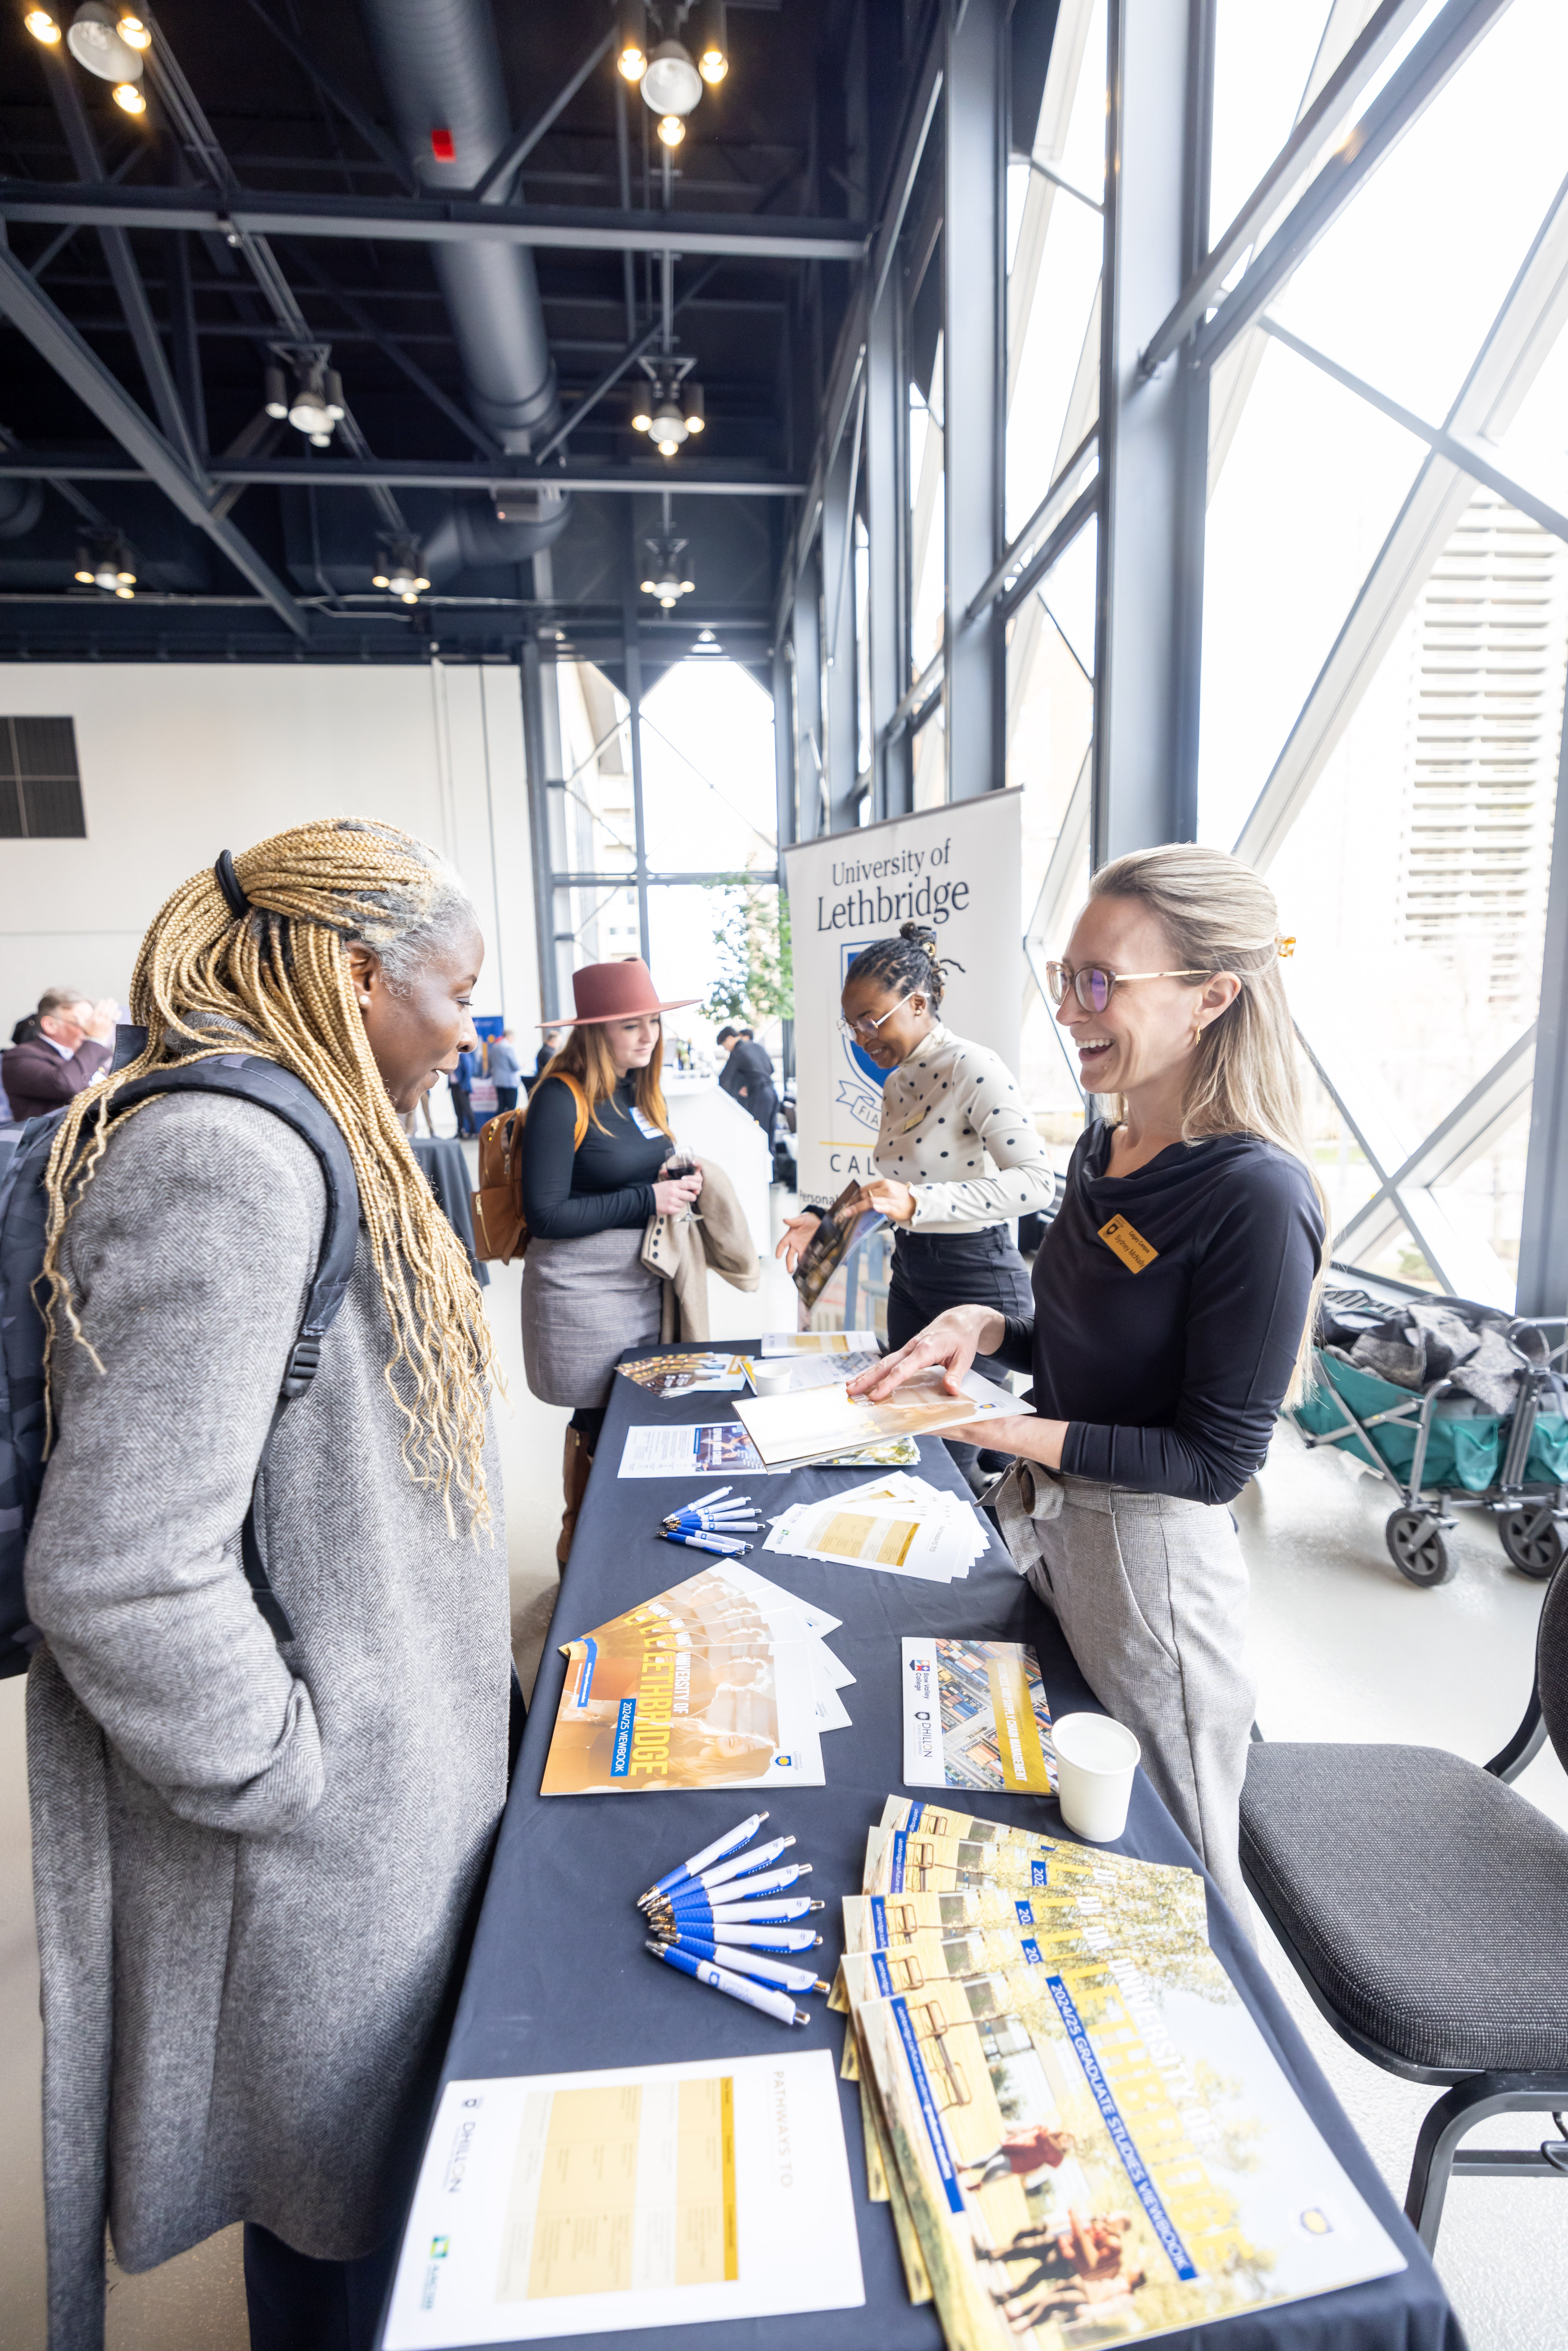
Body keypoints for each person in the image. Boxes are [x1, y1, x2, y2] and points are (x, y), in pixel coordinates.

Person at [22, 819, 509, 2351]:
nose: (468, 1034)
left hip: (371, 1815)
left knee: (354, 2203)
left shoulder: (294, 1129)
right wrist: (293, 1773)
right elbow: (120, 1568)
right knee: (344, 2237)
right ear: (361, 976)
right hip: (317, 1843)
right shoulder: (225, 1159)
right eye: (458, 996)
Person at [849, 848, 1327, 1925]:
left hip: (1150, 1570)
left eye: (1099, 981)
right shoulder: (1107, 1144)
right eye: (1064, 976)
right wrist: (986, 1325)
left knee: (1177, 1878)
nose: (1068, 1009)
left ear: (1211, 995)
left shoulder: (1254, 1193)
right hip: (1054, 1533)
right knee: (1073, 1840)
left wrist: (998, 1426)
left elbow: (1209, 1463)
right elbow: (1083, 1349)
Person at [776, 921, 1057, 1482]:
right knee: (909, 1439)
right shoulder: (897, 1082)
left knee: (948, 1459)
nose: (861, 1037)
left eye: (871, 1020)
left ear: (919, 1003)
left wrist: (919, 1201)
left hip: (976, 1280)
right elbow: (894, 1193)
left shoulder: (973, 1068)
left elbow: (1036, 1183)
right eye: (851, 1024)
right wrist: (823, 1221)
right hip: (911, 1276)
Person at [518, 957, 705, 1562]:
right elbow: (543, 1215)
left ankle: (624, 1548)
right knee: (602, 1418)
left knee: (642, 1414)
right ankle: (583, 1553)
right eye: (631, 1025)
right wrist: (647, 1196)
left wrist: (672, 1178)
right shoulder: (559, 1096)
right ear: (595, 1030)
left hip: (642, 1278)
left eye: (652, 1021)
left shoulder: (636, 1092)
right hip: (582, 1290)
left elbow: (621, 1169)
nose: (648, 1036)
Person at [1, 985, 118, 1123]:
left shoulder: (98, 1056)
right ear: (51, 1025)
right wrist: (95, 1041)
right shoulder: (19, 1057)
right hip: (53, 1141)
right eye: (84, 1023)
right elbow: (66, 1085)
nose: (91, 1030)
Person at [716, 1022, 779, 1140]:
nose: (727, 1050)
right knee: (769, 1140)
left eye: (725, 1046)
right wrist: (748, 1085)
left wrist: (741, 1090)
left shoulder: (738, 1052)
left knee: (758, 1139)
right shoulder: (757, 1047)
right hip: (773, 1095)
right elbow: (771, 1069)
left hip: (759, 1098)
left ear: (730, 1039)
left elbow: (724, 1081)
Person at [488, 1025, 522, 1113]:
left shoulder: (495, 1047)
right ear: (510, 1036)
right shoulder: (509, 1048)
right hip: (510, 1082)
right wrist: (521, 1066)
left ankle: (498, 1126)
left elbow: (490, 1063)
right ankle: (509, 1127)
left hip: (498, 1081)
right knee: (511, 1108)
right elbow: (515, 1066)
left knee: (501, 1105)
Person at [449, 1039, 480, 1135]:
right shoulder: (452, 1057)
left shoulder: (464, 1057)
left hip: (462, 1088)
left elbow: (469, 1072)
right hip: (454, 1087)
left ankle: (473, 1131)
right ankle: (460, 1132)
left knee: (467, 1110)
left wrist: (464, 1087)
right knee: (458, 1111)